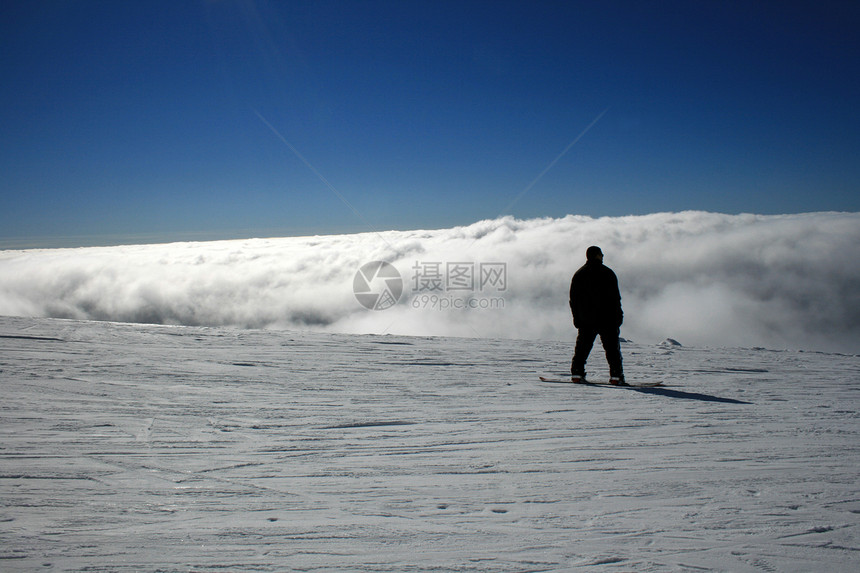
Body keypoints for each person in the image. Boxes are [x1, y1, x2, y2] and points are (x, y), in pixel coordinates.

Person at [569, 246, 626, 385]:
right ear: (597, 256)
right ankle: (616, 377)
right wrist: (619, 316)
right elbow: (615, 298)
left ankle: (577, 374)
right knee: (612, 350)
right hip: (607, 319)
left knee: (582, 349)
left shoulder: (579, 274)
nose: (603, 256)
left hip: (586, 319)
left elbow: (573, 300)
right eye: (601, 254)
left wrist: (576, 317)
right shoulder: (608, 273)